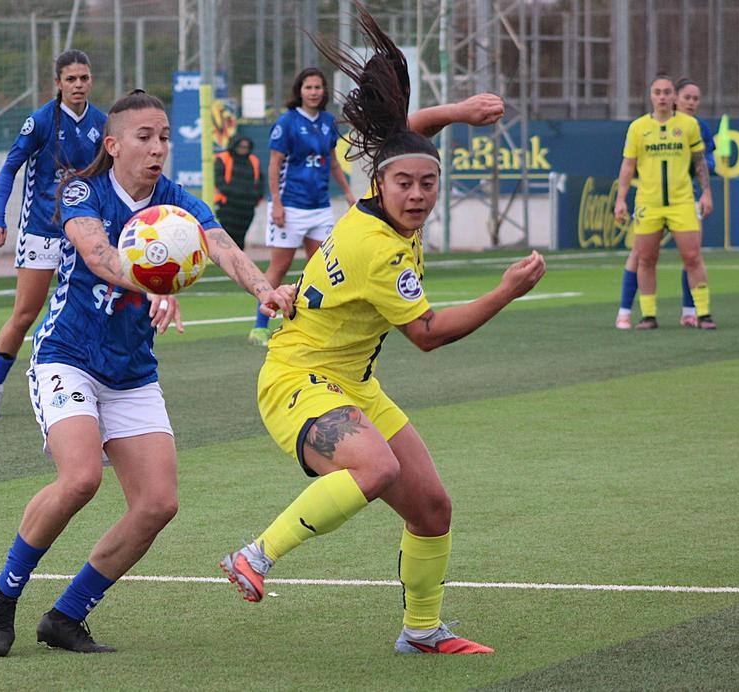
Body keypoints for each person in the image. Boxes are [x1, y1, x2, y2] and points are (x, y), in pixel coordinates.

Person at [218, 5, 545, 655]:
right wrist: (505, 291)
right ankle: (255, 554)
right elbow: (427, 334)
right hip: (296, 381)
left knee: (432, 509)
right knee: (375, 466)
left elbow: (406, 138)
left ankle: (422, 631)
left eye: (429, 182)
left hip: (350, 382)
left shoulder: (382, 196)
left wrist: (453, 114)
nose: (418, 194)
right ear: (382, 183)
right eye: (406, 184)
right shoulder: (379, 249)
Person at [0, 89, 296, 657]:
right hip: (67, 355)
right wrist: (156, 281)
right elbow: (99, 255)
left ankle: (66, 616)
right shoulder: (81, 189)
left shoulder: (177, 203)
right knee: (80, 479)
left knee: (157, 504)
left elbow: (222, 247)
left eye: (165, 138)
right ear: (113, 143)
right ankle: (5, 591)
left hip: (132, 372)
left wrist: (264, 289)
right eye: (145, 137)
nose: (157, 149)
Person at [0, 50, 108, 419]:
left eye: (84, 78)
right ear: (58, 83)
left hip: (82, 233)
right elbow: (9, 169)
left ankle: (89, 390)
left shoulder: (102, 122)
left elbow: (107, 178)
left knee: (93, 312)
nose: (79, 85)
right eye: (71, 79)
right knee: (25, 313)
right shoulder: (40, 122)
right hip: (40, 233)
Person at [248, 67, 358, 346]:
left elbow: (332, 161)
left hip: (320, 207)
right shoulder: (287, 122)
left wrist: (347, 192)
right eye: (308, 87)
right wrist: (276, 204)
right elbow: (274, 164)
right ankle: (260, 326)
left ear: (324, 92)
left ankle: (314, 324)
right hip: (291, 206)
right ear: (300, 91)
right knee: (279, 267)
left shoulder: (328, 122)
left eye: (318, 87)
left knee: (321, 267)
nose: (313, 92)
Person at [613, 75, 715, 330]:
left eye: (667, 92)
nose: (662, 97)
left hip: (681, 201)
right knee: (646, 259)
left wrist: (706, 192)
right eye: (657, 92)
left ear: (673, 97)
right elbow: (628, 165)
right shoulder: (638, 128)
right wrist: (621, 199)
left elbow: (700, 161)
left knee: (692, 256)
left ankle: (702, 313)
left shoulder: (689, 125)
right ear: (650, 96)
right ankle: (648, 315)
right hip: (649, 202)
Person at [213, 135, 264, 249]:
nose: (243, 149)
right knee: (227, 239)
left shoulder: (254, 160)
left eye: (246, 147)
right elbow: (220, 182)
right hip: (228, 207)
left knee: (240, 240)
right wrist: (238, 194)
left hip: (247, 208)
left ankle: (238, 263)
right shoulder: (223, 158)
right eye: (241, 146)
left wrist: (254, 198)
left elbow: (260, 182)